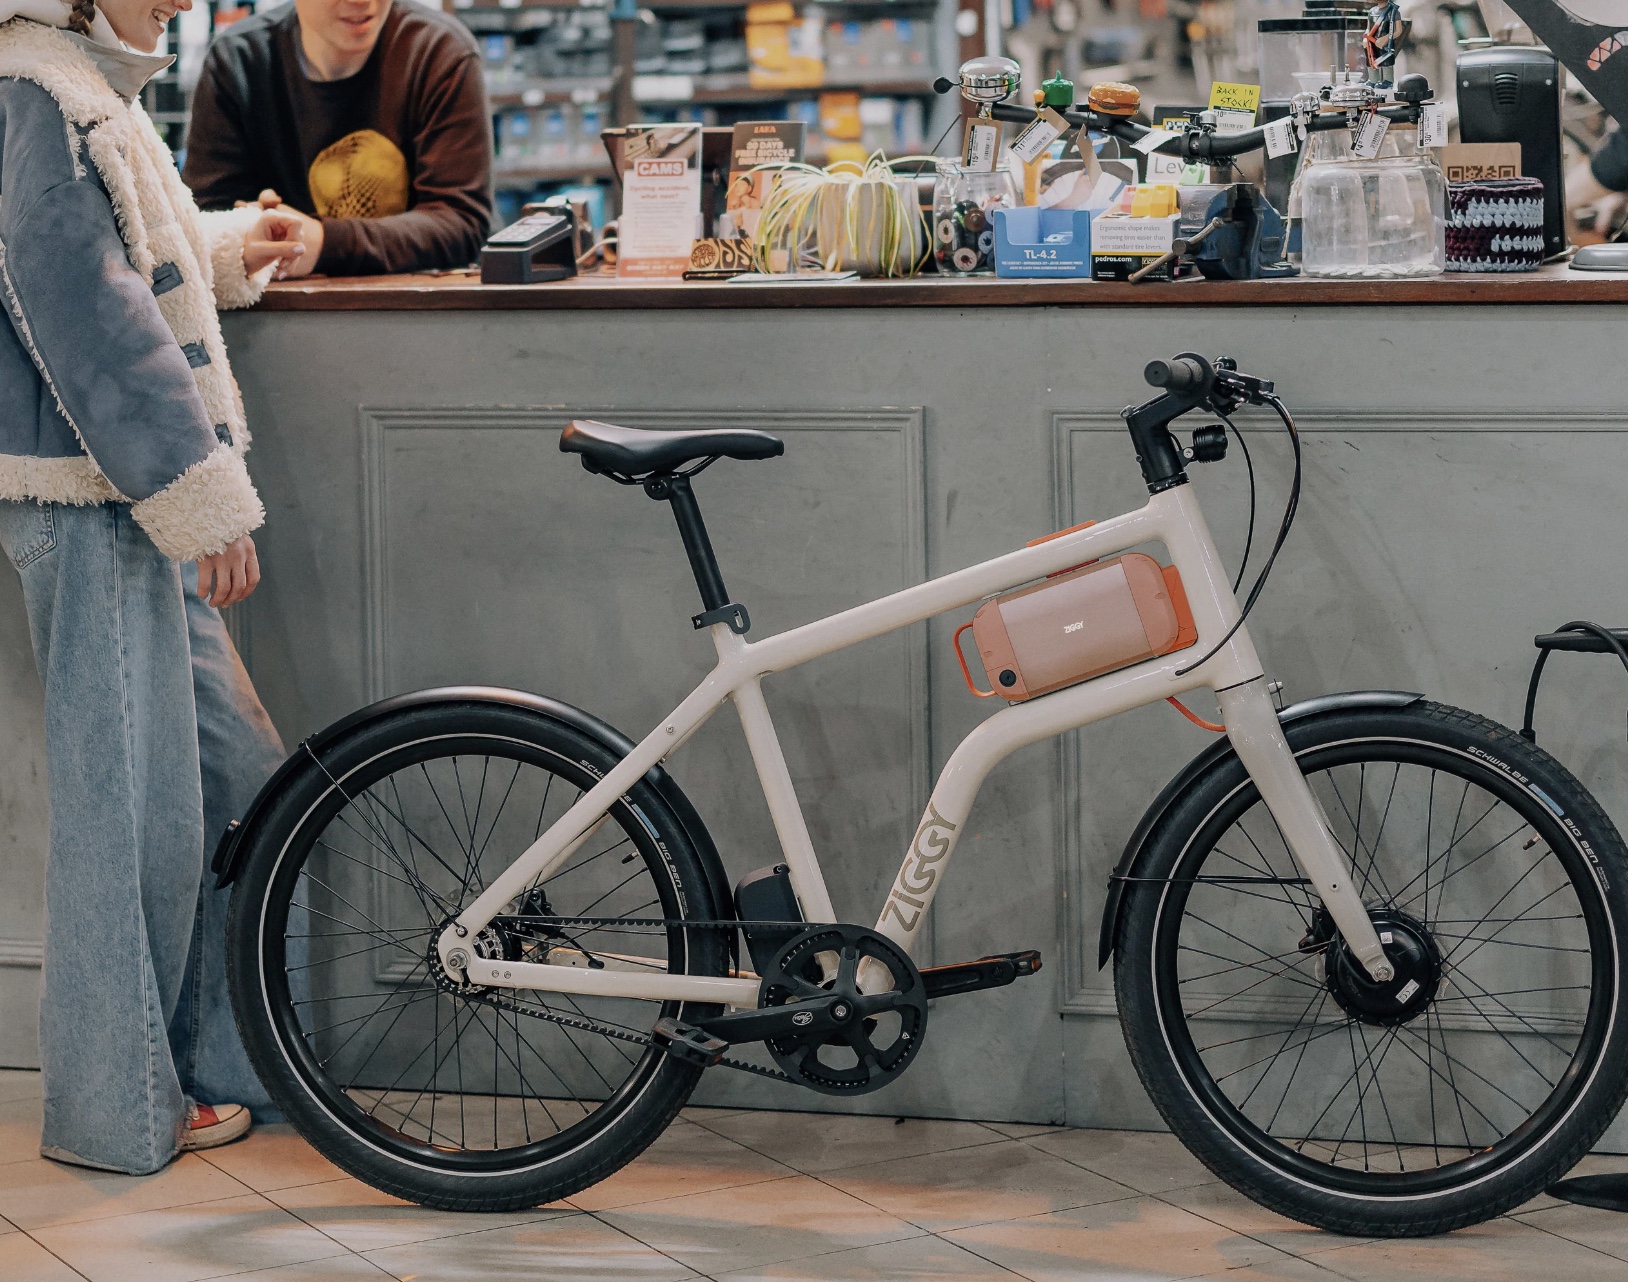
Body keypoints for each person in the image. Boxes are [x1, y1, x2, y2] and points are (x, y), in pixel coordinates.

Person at [0, 0, 306, 1173]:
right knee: (125, 810)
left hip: (123, 491)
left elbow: (129, 253)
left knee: (234, 778)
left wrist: (228, 253)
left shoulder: (85, 83)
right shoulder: (40, 87)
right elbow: (80, 307)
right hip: (94, 495)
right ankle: (117, 1106)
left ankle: (223, 1064)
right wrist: (198, 490)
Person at [183, 0, 494, 275]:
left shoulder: (437, 50)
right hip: (277, 320)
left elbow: (461, 224)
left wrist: (322, 242)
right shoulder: (238, 61)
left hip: (421, 314)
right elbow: (209, 223)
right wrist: (250, 231)